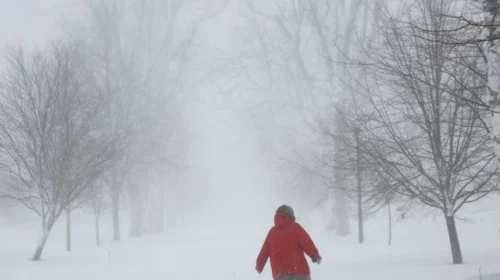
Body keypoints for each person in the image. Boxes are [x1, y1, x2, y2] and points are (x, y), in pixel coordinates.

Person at [255, 205, 321, 280]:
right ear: (290, 215)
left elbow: (264, 251)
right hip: (300, 271)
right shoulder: (295, 227)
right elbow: (307, 242)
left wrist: (259, 265)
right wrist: (314, 255)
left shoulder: (272, 233)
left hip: (281, 274)